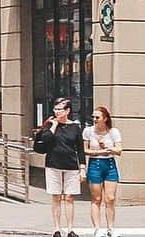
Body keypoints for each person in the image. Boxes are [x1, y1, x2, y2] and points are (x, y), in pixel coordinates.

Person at [35, 96, 86, 237]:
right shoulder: (50, 125)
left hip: (71, 165)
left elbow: (80, 149)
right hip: (53, 164)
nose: (57, 112)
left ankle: (70, 229)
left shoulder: (75, 127)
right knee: (56, 196)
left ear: (67, 110)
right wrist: (54, 126)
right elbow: (46, 140)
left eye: (60, 109)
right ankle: (56, 228)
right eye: (55, 109)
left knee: (69, 197)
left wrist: (82, 168)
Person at [83, 105, 122, 237]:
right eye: (93, 117)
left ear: (105, 118)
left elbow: (119, 150)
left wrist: (108, 148)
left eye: (97, 117)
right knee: (96, 198)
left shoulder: (113, 132)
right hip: (95, 164)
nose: (94, 119)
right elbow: (85, 150)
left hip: (110, 164)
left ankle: (111, 228)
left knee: (110, 198)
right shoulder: (88, 131)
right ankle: (97, 228)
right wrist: (100, 151)